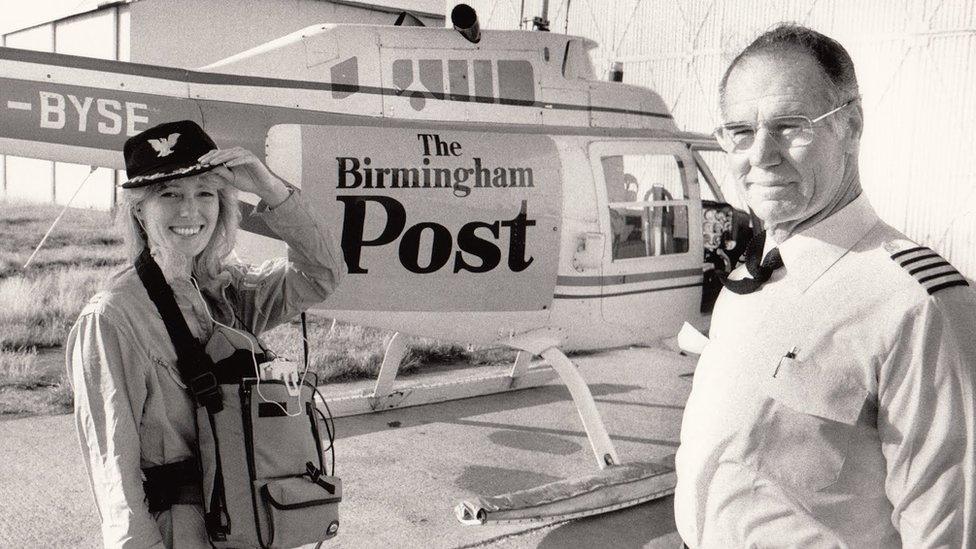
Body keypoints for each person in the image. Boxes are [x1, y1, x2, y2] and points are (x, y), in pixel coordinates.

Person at [674, 24, 976, 548]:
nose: (761, 154)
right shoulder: (749, 277)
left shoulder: (917, 303)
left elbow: (947, 527)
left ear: (851, 126)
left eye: (791, 126)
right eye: (740, 131)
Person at [66, 120, 346, 548]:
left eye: (205, 193)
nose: (189, 211)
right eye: (169, 194)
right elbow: (113, 472)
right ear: (140, 210)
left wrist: (269, 189)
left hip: (246, 519)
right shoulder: (113, 317)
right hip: (181, 532)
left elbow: (323, 273)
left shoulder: (226, 290)